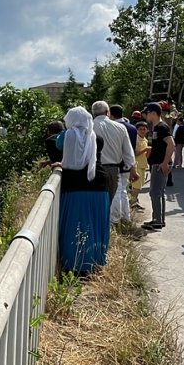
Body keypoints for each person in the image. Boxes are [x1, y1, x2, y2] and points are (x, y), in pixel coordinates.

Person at [54, 107, 110, 274]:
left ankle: (74, 264)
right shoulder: (96, 137)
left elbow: (58, 145)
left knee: (74, 225)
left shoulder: (66, 136)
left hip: (73, 186)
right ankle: (95, 261)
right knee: (95, 223)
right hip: (98, 184)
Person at [91, 101, 137, 223]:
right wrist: (131, 168)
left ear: (93, 113)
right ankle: (112, 224)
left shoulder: (89, 127)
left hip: (93, 169)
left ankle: (99, 224)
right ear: (108, 112)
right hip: (113, 169)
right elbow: (128, 152)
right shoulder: (121, 128)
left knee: (95, 202)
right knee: (111, 198)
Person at [142, 102, 174, 230]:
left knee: (155, 192)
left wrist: (165, 162)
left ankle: (157, 221)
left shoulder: (161, 127)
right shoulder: (157, 127)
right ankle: (159, 219)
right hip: (158, 162)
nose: (145, 115)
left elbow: (171, 144)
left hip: (159, 164)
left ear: (154, 113)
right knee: (158, 192)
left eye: (147, 112)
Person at [130, 120, 150, 211]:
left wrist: (148, 151)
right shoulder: (136, 140)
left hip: (143, 165)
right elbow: (135, 153)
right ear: (137, 130)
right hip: (136, 165)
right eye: (140, 129)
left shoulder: (145, 139)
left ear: (147, 130)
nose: (142, 131)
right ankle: (132, 203)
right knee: (136, 186)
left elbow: (146, 155)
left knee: (140, 185)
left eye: (144, 129)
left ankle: (135, 202)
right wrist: (145, 149)